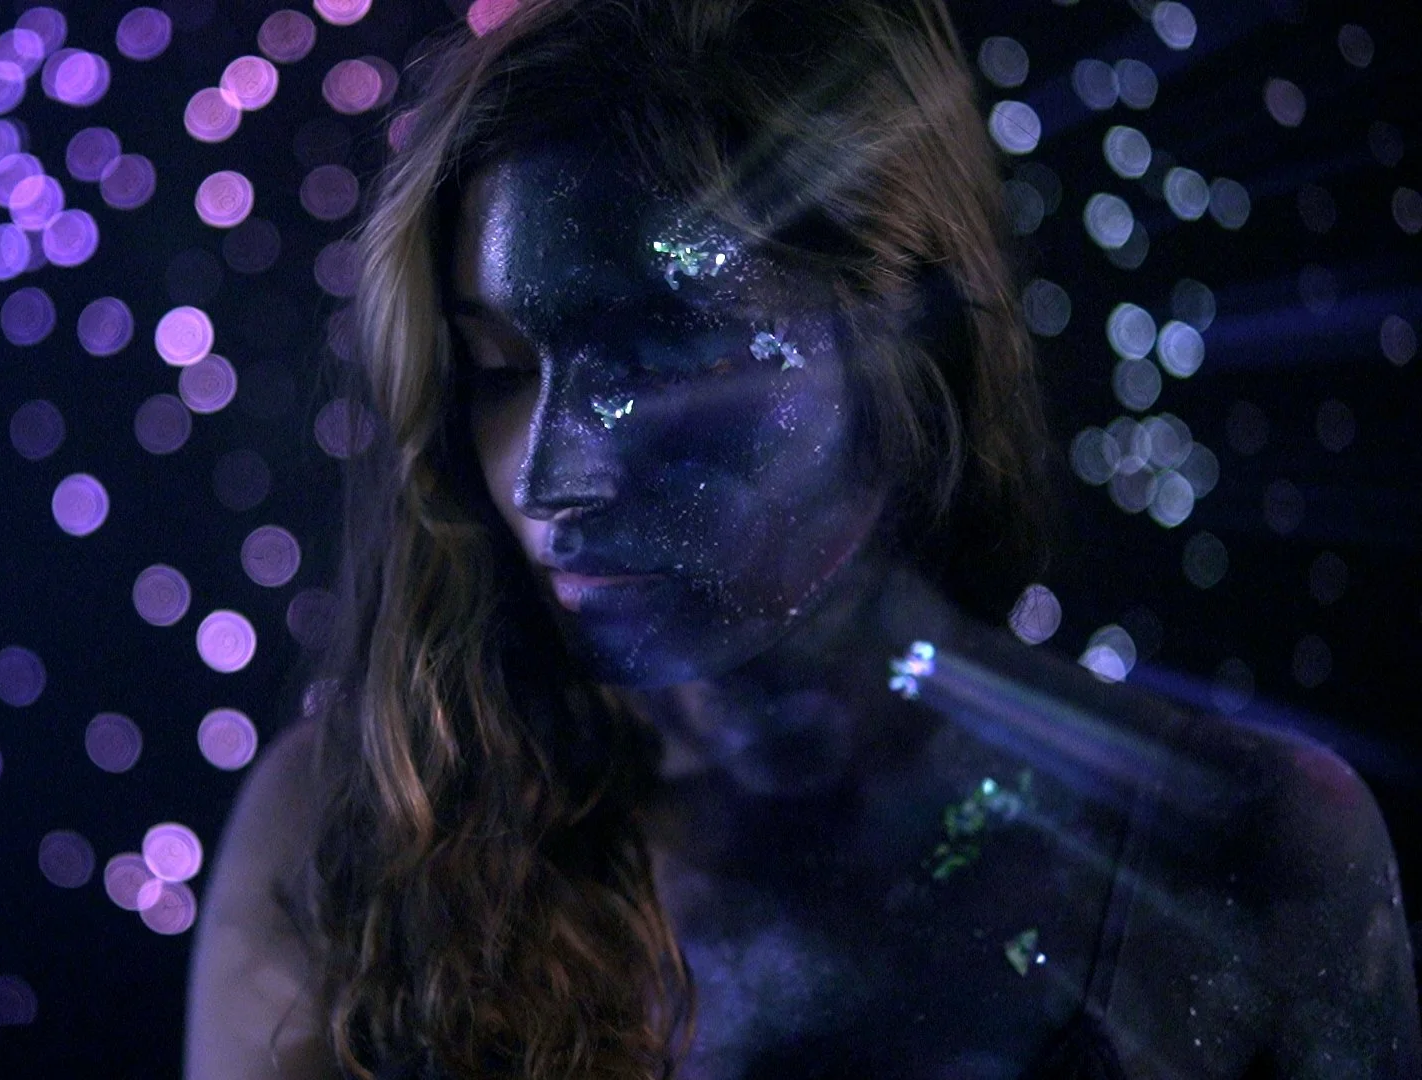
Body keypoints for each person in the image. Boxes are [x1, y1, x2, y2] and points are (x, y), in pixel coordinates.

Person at [185, 0, 1421, 1076]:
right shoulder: (355, 837)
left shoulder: (1242, 848)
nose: (553, 478)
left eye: (661, 358)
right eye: (501, 368)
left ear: (909, 340)